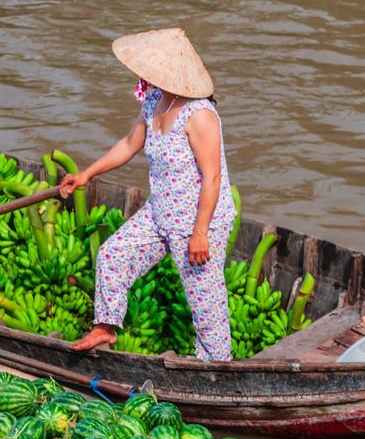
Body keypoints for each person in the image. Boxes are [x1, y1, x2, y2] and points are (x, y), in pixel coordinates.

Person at [59, 28, 234, 361]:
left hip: (198, 222)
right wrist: (86, 174)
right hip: (160, 214)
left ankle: (216, 370)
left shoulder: (200, 116)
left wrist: (200, 233)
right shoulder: (155, 101)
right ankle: (106, 326)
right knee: (113, 255)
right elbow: (128, 145)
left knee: (207, 308)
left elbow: (212, 179)